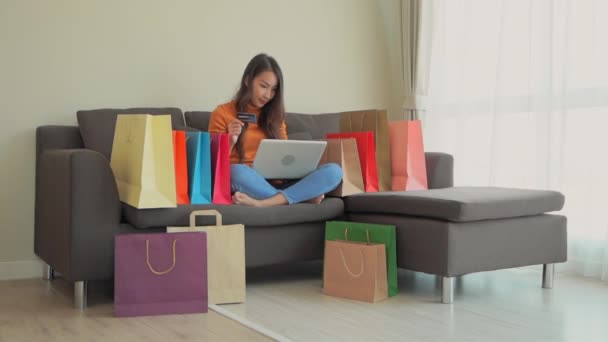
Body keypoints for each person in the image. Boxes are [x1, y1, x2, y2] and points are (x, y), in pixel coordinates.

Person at [208, 53, 342, 207]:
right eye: (263, 86)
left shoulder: (276, 118)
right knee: (237, 172)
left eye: (274, 90)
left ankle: (266, 203)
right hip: (247, 182)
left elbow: (285, 159)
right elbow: (213, 168)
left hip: (279, 183)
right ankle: (299, 198)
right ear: (247, 81)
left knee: (334, 171)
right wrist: (230, 141)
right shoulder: (222, 114)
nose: (268, 95)